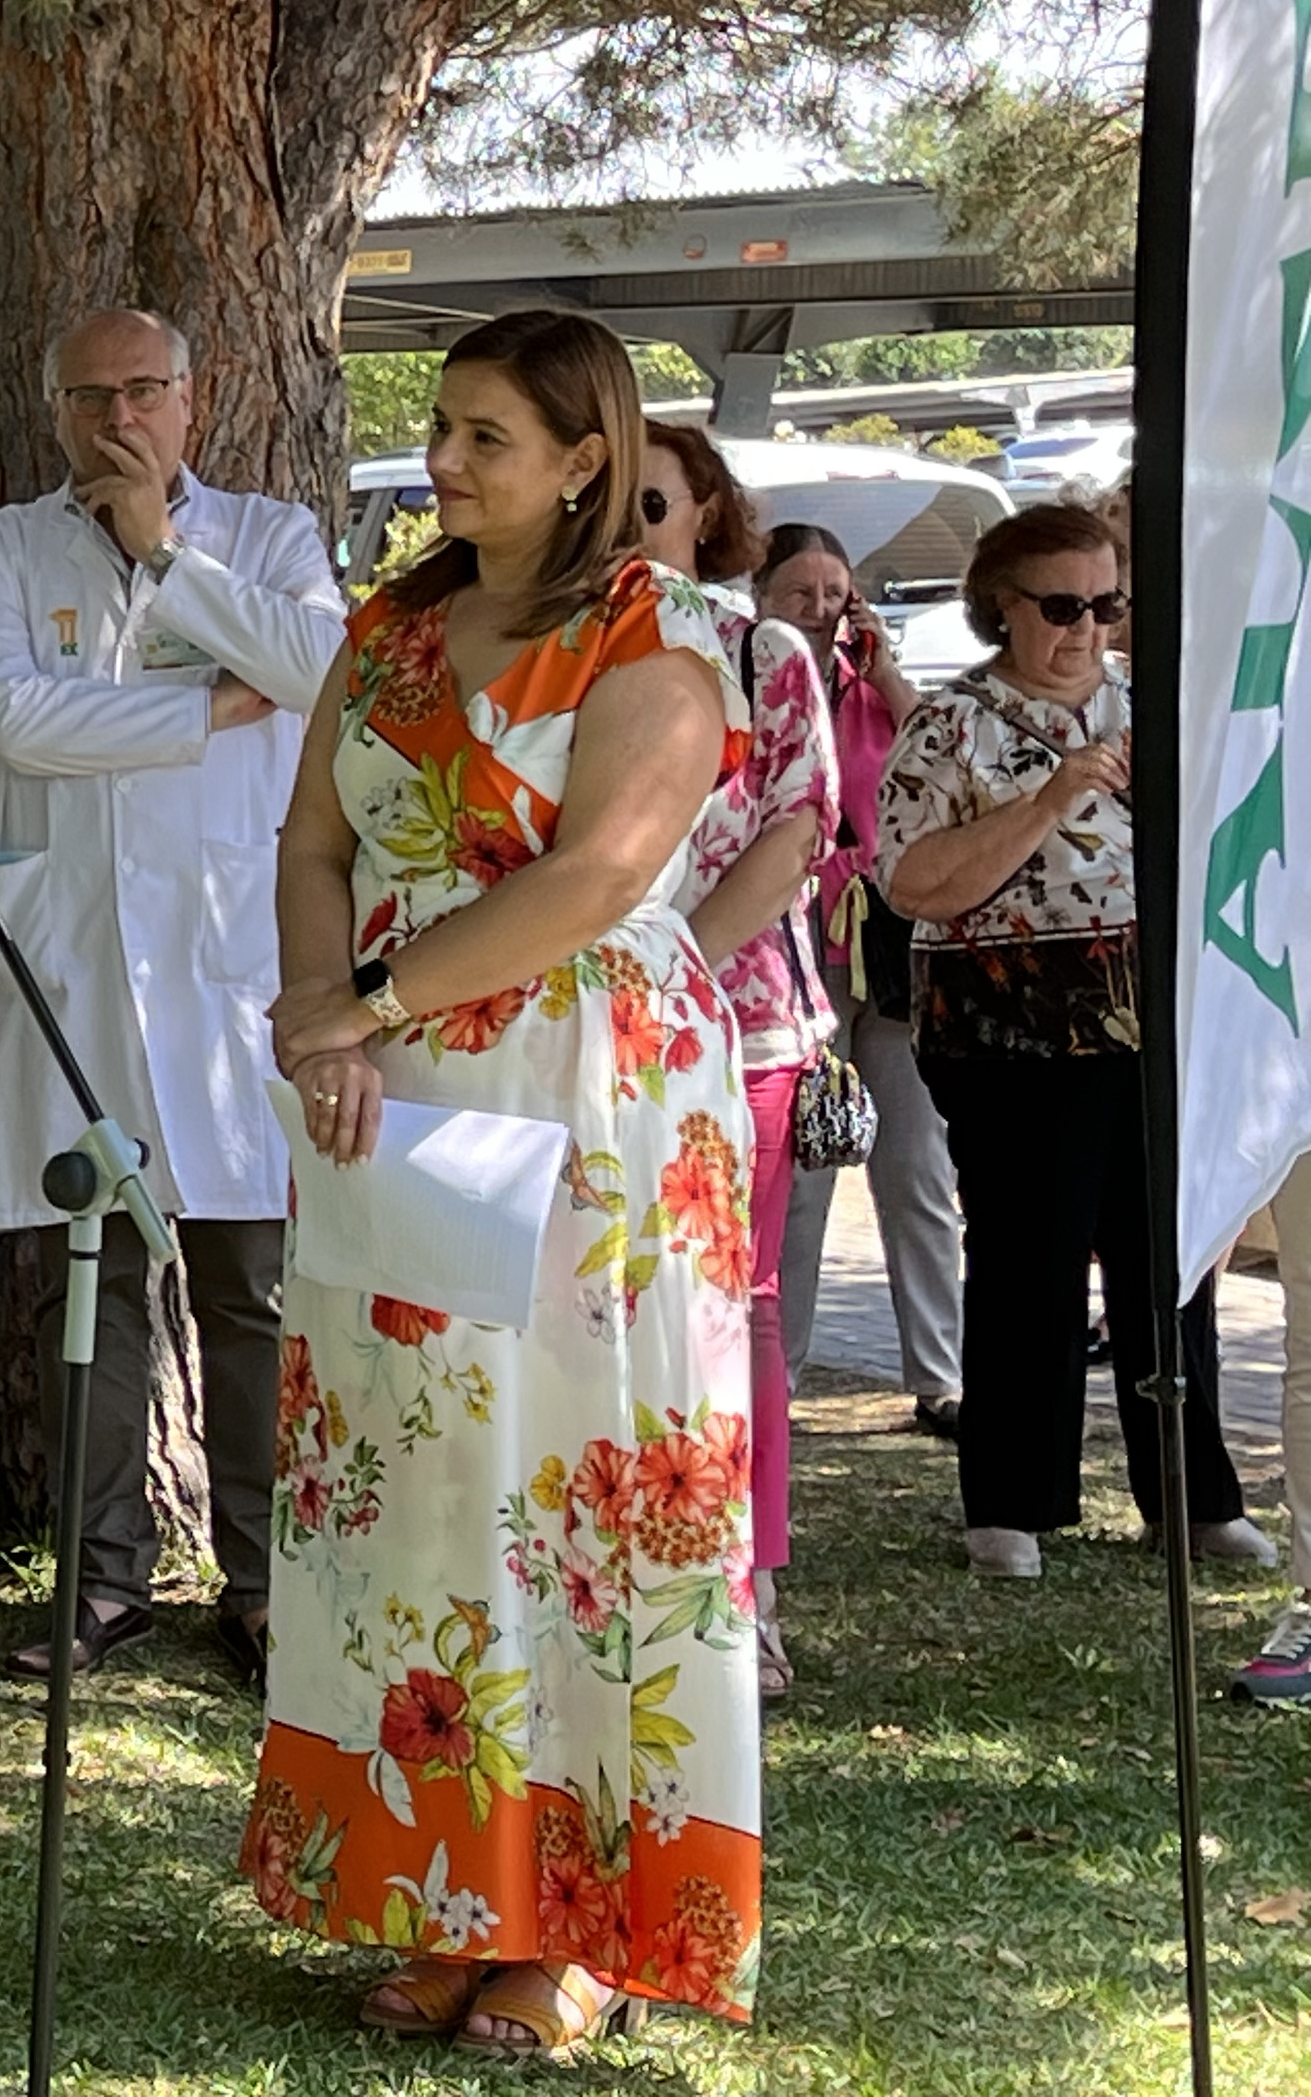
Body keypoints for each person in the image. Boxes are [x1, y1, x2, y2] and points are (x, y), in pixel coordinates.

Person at [250, 308, 759, 2050]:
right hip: (386, 1095)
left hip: (588, 1093)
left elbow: (608, 866)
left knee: (581, 1487)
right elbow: (312, 839)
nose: (443, 462)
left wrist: (369, 999)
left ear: (582, 459)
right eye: (442, 430)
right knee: (425, 1482)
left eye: (481, 435)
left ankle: (588, 1926)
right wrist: (328, 1025)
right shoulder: (389, 623)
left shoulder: (658, 627)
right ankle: (448, 1894)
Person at [0, 306, 341, 1693]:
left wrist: (166, 553)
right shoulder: (0, 546)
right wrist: (212, 711)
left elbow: (319, 675)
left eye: (145, 390)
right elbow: (19, 722)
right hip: (77, 958)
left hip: (232, 953)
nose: (119, 418)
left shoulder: (272, 539)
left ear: (195, 397)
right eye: (90, 395)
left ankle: (266, 1582)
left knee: (253, 1285)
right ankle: (102, 1582)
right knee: (93, 1286)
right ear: (53, 409)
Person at [874, 501, 1264, 1581]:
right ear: (1001, 606)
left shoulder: (1151, 704)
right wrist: (1048, 800)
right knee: (1028, 1264)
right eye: (1060, 606)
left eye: (1105, 604)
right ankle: (1011, 1500)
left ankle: (1191, 1497)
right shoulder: (953, 725)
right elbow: (913, 882)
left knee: (1167, 1266)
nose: (1086, 627)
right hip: (1011, 1033)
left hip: (1155, 1019)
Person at [635, 426, 833, 1699]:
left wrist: (676, 978)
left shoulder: (765, 652)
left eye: (650, 499)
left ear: (706, 508)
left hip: (734, 1022)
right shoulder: (550, 642)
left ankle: (743, 1592)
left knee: (737, 1302)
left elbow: (798, 828)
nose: (627, 520)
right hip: (575, 1031)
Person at [752, 524, 963, 1441]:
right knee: (805, 1167)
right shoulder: (752, 684)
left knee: (914, 1161)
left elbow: (940, 759)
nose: (822, 608)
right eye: (801, 592)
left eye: (836, 591)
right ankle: (778, 1369)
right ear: (762, 596)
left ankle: (942, 1376)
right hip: (795, 946)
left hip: (885, 943)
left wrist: (880, 674)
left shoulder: (874, 690)